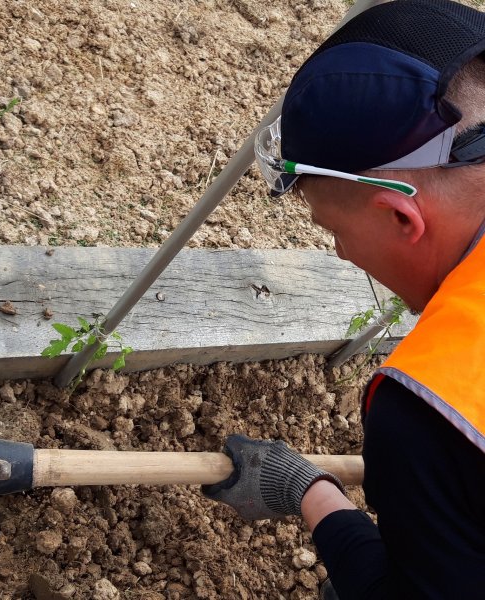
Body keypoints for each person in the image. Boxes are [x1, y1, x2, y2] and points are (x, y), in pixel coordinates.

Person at [202, 1, 485, 598]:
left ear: (401, 216)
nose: (341, 255)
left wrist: (308, 490)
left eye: (335, 231)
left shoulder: (429, 410)